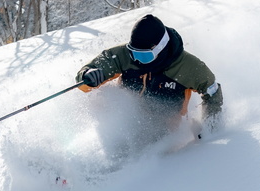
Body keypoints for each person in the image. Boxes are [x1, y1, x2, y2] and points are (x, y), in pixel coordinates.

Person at [76, 14, 223, 136]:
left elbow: (212, 90)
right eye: (134, 53)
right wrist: (88, 75)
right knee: (101, 99)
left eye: (144, 56)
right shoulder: (124, 56)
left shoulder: (187, 67)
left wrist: (209, 128)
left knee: (163, 133)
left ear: (160, 48)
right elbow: (94, 67)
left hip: (165, 128)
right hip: (126, 121)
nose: (137, 60)